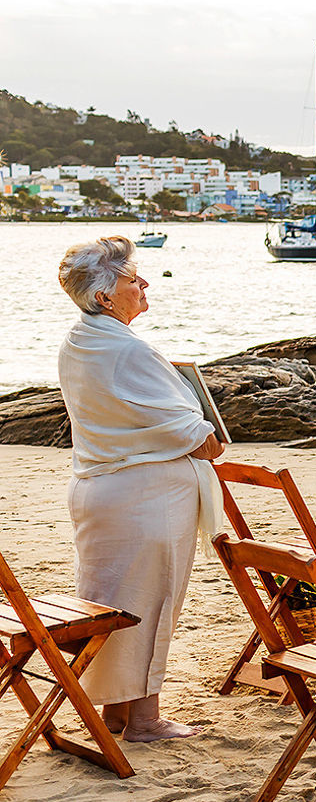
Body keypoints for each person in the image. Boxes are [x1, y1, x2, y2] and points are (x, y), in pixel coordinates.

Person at [56, 236, 223, 742]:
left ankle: (114, 713)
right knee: (149, 606)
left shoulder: (79, 339)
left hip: (100, 490)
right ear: (105, 297)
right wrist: (207, 433)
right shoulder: (129, 347)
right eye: (132, 278)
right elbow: (200, 439)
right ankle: (145, 721)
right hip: (145, 501)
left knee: (111, 605)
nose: (145, 283)